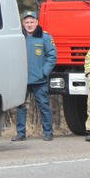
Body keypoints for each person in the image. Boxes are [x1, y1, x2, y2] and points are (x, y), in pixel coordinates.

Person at [14, 10, 57, 141]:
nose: (29, 24)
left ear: (37, 22)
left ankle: (48, 132)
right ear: (22, 23)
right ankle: (21, 134)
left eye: (32, 22)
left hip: (40, 80)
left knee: (44, 106)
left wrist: (44, 72)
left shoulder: (45, 37)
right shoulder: (17, 37)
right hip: (22, 80)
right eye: (26, 22)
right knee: (20, 107)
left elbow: (52, 56)